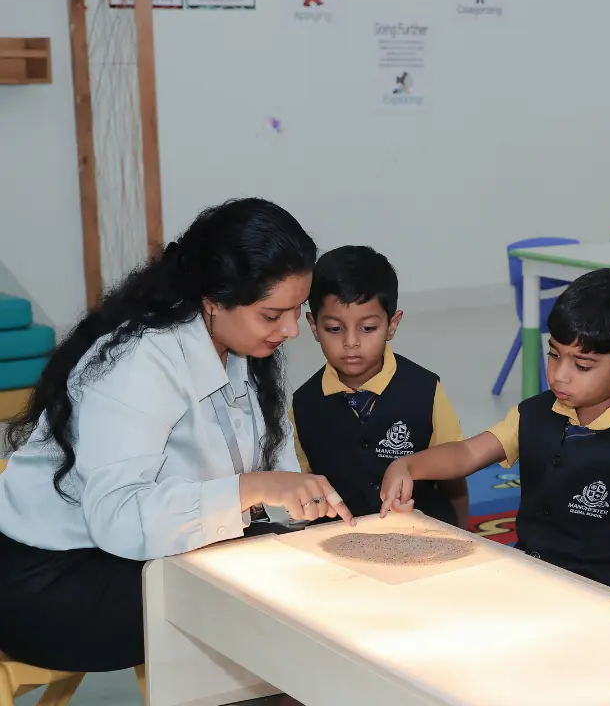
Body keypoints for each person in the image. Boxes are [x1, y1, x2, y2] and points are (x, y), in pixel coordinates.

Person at [0, 198, 353, 674]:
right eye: (273, 315)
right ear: (213, 300)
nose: (291, 330)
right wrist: (254, 490)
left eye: (296, 311)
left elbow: (275, 474)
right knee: (256, 605)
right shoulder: (140, 360)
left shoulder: (241, 345)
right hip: (52, 581)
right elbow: (118, 519)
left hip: (134, 553)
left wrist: (301, 510)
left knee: (313, 576)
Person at [379, 268, 610, 601]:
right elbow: (468, 454)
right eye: (554, 354)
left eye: (582, 365)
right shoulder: (533, 414)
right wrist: (408, 466)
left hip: (599, 596)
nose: (559, 375)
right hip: (532, 576)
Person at [292, 246, 468, 527]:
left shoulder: (425, 389)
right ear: (314, 326)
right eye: (335, 329)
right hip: (342, 543)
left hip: (422, 534)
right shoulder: (302, 404)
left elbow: (455, 473)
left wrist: (462, 530)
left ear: (392, 325)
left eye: (368, 328)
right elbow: (302, 487)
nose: (351, 342)